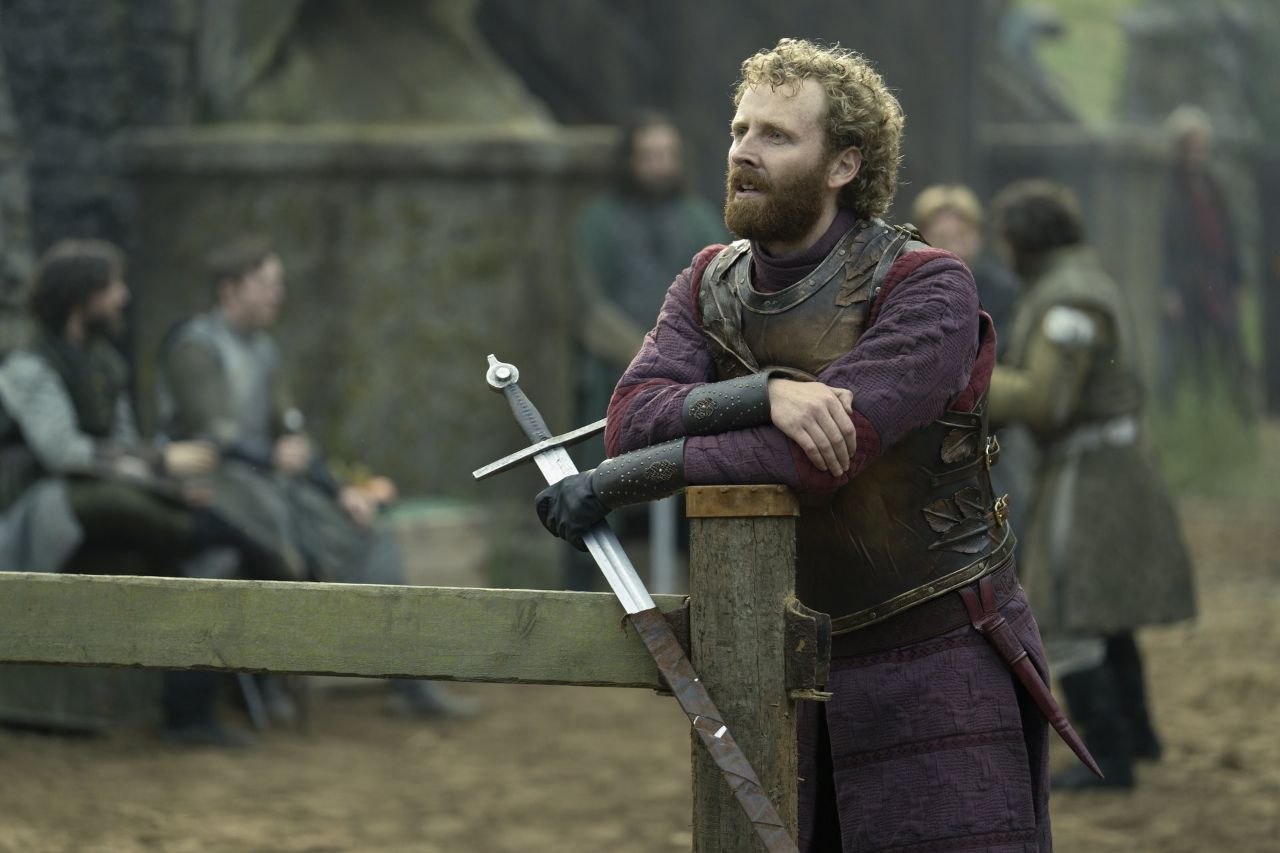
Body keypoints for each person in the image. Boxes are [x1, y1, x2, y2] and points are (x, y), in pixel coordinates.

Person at [536, 39, 1068, 851]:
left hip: (936, 653)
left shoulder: (928, 286)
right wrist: (766, 392)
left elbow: (822, 457)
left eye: (777, 135)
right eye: (739, 130)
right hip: (785, 662)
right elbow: (632, 417)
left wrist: (619, 480)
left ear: (843, 165)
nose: (743, 151)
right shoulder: (707, 282)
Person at [156, 236, 478, 720]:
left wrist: (341, 490)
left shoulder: (263, 350)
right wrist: (274, 455)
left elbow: (291, 435)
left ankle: (410, 682)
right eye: (265, 284)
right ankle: (264, 686)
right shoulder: (195, 347)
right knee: (275, 552)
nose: (277, 295)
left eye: (278, 284)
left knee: (366, 535)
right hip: (211, 489)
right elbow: (214, 433)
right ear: (230, 290)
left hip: (268, 485)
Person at [0, 238, 275, 746]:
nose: (123, 297)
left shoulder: (106, 363)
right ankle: (249, 545)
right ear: (82, 298)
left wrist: (166, 482)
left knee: (207, 554)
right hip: (48, 503)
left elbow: (126, 445)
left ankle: (190, 713)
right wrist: (149, 472)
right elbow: (64, 453)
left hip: (106, 491)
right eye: (113, 288)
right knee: (202, 527)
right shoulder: (29, 366)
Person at [987, 179, 1197, 789]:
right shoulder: (1075, 283)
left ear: (1022, 239)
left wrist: (965, 383)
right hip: (1105, 463)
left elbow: (1047, 400)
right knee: (1103, 602)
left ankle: (1110, 754)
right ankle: (1138, 734)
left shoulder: (1068, 298)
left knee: (1069, 605)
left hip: (1092, 469)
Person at [568, 112, 726, 590]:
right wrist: (647, 359)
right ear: (630, 160)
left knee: (693, 483)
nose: (659, 165)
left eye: (667, 155)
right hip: (615, 378)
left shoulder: (698, 218)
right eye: (649, 155)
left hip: (690, 383)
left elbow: (721, 294)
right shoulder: (599, 222)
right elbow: (589, 306)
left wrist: (683, 363)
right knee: (606, 484)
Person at [1160, 104, 1251, 411]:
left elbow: (1229, 235)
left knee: (1230, 343)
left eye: (1200, 146)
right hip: (1188, 280)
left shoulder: (1213, 184)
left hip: (1217, 277)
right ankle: (1193, 411)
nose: (1196, 153)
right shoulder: (1170, 190)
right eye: (1190, 146)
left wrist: (1238, 280)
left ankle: (1238, 409)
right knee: (1190, 351)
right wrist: (1168, 288)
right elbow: (1166, 242)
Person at [911, 184, 1019, 358]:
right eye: (942, 237)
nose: (954, 247)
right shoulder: (906, 290)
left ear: (979, 237)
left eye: (962, 236)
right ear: (920, 238)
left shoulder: (1002, 291)